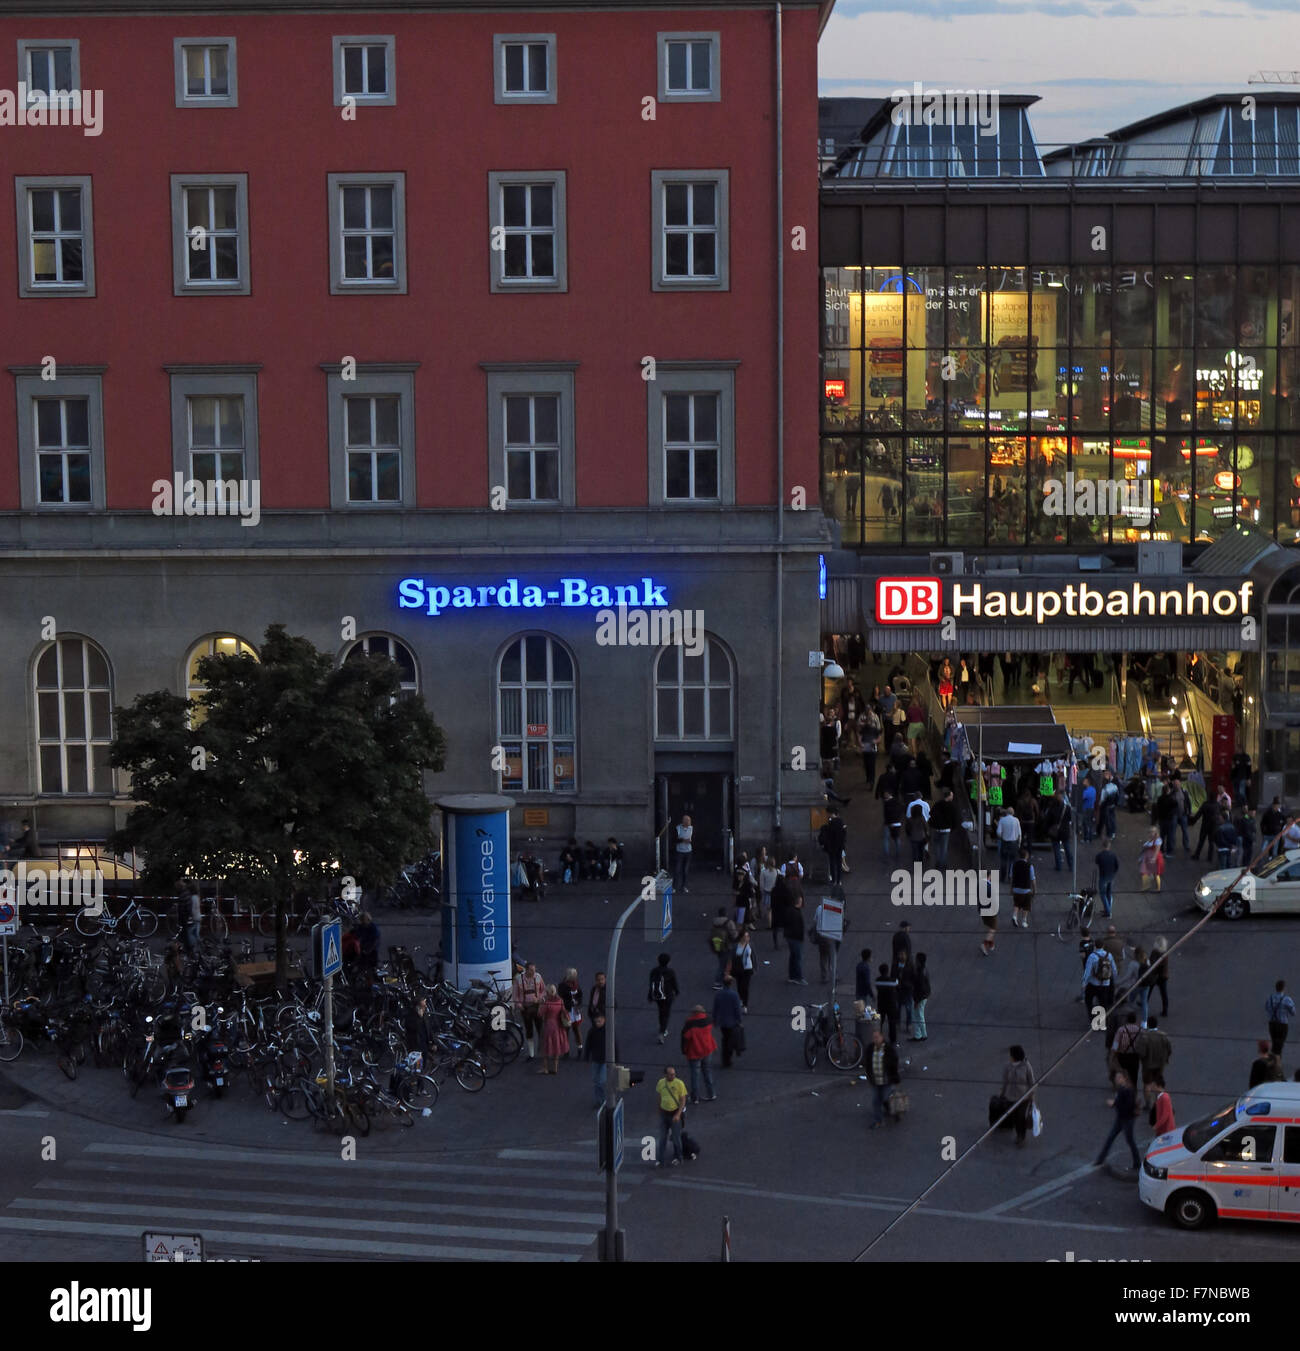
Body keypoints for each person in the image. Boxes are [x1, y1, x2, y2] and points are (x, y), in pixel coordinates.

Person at [1094, 1069, 1141, 1171]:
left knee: (1130, 1141)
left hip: (1127, 1119)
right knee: (1111, 1137)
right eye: (1116, 1078)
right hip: (1121, 1118)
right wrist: (1115, 1102)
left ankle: (1137, 1163)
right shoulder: (1121, 1089)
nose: (1116, 1079)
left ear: (1124, 1078)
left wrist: (1114, 1103)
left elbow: (1128, 1107)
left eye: (1119, 1077)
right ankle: (1100, 1159)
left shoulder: (1128, 1090)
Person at [863, 1026, 901, 1129]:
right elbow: (867, 1062)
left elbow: (894, 1063)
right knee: (876, 1101)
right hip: (875, 1080)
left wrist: (895, 1077)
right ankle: (878, 1121)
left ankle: (894, 1111)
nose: (875, 1039)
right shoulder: (870, 1049)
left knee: (885, 1097)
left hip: (886, 1080)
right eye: (874, 1037)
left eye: (877, 1037)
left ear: (882, 1037)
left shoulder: (888, 1049)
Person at [680, 1005, 718, 1104]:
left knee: (695, 1075)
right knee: (707, 1071)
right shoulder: (709, 1019)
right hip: (707, 1049)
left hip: (695, 1051)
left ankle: (695, 1098)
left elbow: (685, 1037)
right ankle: (711, 1093)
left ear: (694, 1013)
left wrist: (684, 1050)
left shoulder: (690, 1023)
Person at [1001, 1045, 1036, 1147]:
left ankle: (1021, 1136)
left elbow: (1031, 1081)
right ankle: (1018, 1134)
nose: (1009, 1056)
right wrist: (1002, 1093)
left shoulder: (1026, 1066)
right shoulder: (1008, 1066)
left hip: (1023, 1097)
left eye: (1011, 1055)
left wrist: (1031, 1095)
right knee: (1015, 1117)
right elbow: (1005, 1081)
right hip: (1011, 1096)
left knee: (1021, 1117)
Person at [512, 960, 547, 1059]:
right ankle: (531, 1054)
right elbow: (515, 995)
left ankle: (542, 1051)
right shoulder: (518, 979)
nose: (533, 972)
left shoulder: (538, 977)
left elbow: (543, 990)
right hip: (525, 1009)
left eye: (534, 970)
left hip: (537, 1007)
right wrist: (519, 1005)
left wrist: (540, 999)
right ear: (526, 970)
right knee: (529, 1030)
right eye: (531, 970)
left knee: (541, 1029)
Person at [653, 1066, 688, 1166]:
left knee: (676, 1138)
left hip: (674, 1114)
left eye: (674, 1074)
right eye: (671, 1074)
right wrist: (659, 1110)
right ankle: (660, 1159)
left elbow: (683, 1100)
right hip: (664, 1113)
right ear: (666, 1075)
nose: (673, 1075)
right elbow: (659, 1097)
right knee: (662, 1137)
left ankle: (679, 1157)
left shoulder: (679, 1084)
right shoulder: (661, 1083)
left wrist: (678, 1114)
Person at [1135, 1017, 1172, 1107]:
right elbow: (1169, 1050)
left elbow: (1141, 1053)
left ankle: (1148, 1103)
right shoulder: (1163, 1036)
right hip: (1160, 1064)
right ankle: (1159, 1102)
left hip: (1148, 1064)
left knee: (1147, 1084)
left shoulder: (1145, 1037)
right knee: (1158, 1083)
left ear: (1148, 1025)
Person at [712, 975, 744, 1068]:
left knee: (725, 1039)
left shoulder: (718, 994)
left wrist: (714, 1020)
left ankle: (724, 1059)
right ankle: (728, 1059)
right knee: (730, 1040)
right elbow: (737, 1009)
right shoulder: (734, 995)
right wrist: (739, 1020)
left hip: (722, 1021)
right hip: (732, 1021)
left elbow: (715, 1008)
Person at [537, 984, 569, 1075]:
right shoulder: (560, 1001)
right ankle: (555, 1067)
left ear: (547, 992)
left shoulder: (547, 1003)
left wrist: (541, 1004)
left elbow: (539, 1014)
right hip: (558, 1025)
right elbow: (564, 1012)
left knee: (546, 1047)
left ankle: (545, 1068)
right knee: (556, 1046)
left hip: (548, 1025)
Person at [648, 953, 679, 1043]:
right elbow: (674, 984)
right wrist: (676, 991)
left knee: (661, 1012)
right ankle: (662, 1031)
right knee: (666, 1014)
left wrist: (650, 995)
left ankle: (662, 1028)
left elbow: (651, 984)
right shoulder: (670, 972)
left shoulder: (654, 971)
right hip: (668, 996)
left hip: (658, 996)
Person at [1082, 941, 1116, 1020]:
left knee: (1088, 1000)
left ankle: (1092, 1017)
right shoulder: (1109, 955)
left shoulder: (1092, 956)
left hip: (1093, 983)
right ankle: (1103, 1020)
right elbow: (1114, 969)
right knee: (1103, 1003)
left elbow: (1087, 972)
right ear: (1103, 946)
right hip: (1105, 984)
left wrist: (1084, 982)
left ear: (1095, 946)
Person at [1110, 1008, 1142, 1088]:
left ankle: (1124, 1092)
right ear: (1135, 1020)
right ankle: (1133, 1093)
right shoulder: (1140, 1030)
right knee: (1134, 1077)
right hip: (1135, 1057)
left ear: (1127, 1020)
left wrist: (1113, 1056)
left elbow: (1115, 1045)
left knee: (1124, 1076)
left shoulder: (1121, 1030)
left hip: (1123, 1056)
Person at [584, 1013, 611, 1107]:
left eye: (599, 1021)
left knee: (601, 1081)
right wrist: (586, 1056)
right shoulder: (592, 1031)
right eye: (596, 1022)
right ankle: (599, 1100)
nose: (597, 1023)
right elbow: (588, 1044)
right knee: (596, 1081)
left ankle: (603, 1100)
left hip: (605, 1060)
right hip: (596, 1059)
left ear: (604, 1020)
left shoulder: (608, 1031)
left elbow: (614, 1045)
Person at [709, 907, 738, 989]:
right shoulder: (729, 922)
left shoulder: (714, 922)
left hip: (717, 945)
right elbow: (734, 935)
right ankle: (717, 982)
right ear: (726, 914)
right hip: (727, 946)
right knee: (723, 964)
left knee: (722, 961)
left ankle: (725, 977)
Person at [1266, 979, 1296, 1057]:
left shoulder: (1270, 998)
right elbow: (1293, 1012)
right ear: (1283, 988)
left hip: (1272, 1024)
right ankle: (1276, 1063)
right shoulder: (1287, 999)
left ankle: (1274, 1061)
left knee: (1275, 1043)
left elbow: (1267, 1008)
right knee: (1279, 1045)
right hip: (1282, 1025)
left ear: (1276, 987)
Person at [557, 968, 584, 1056]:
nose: (573, 980)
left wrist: (578, 1003)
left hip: (575, 1011)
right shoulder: (562, 986)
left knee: (576, 1030)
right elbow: (561, 998)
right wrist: (570, 1002)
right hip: (567, 1010)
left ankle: (580, 1048)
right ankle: (566, 1050)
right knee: (566, 1031)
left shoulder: (576, 984)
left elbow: (580, 995)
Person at [819, 807, 848, 885]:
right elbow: (844, 834)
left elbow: (829, 835)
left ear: (831, 813)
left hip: (832, 847)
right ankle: (839, 880)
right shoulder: (841, 822)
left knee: (832, 863)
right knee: (839, 863)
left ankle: (834, 880)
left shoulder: (831, 823)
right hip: (839, 846)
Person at [1010, 847, 1035, 929]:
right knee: (1026, 906)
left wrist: (1011, 888)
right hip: (1026, 889)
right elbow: (1032, 879)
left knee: (1017, 904)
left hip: (1016, 889)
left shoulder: (1014, 864)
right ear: (1026, 856)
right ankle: (1024, 921)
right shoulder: (1029, 866)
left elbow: (1011, 877)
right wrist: (1034, 889)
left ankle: (1014, 916)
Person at [1048, 790, 1074, 872]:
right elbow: (1070, 818)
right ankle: (1071, 866)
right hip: (1065, 831)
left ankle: (1058, 866)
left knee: (1056, 849)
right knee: (1067, 849)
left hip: (1055, 832)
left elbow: (1049, 820)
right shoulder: (1067, 808)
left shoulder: (1052, 808)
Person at [784, 896, 808, 985]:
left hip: (790, 937)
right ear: (798, 902)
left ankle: (792, 976)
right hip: (795, 938)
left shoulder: (790, 910)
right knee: (798, 958)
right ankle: (799, 977)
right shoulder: (796, 913)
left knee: (793, 957)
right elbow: (797, 927)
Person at [732, 929, 756, 1010]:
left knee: (745, 987)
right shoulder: (736, 946)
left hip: (748, 968)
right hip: (738, 968)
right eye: (745, 936)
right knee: (739, 986)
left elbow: (753, 956)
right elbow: (732, 958)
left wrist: (755, 967)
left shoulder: (750, 945)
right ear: (741, 937)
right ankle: (741, 999)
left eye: (748, 936)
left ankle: (745, 1004)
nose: (747, 938)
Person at [930, 788, 956, 865]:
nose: (952, 797)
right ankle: (943, 862)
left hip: (936, 828)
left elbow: (931, 814)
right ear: (949, 796)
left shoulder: (937, 804)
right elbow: (954, 818)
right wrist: (953, 827)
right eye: (952, 796)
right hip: (946, 829)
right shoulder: (952, 806)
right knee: (944, 847)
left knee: (936, 846)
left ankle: (938, 862)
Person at [875, 963, 899, 1044]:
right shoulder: (893, 981)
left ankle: (878, 1037)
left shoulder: (877, 980)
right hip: (891, 1005)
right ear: (887, 971)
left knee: (879, 1022)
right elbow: (898, 986)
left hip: (881, 1004)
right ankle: (893, 1040)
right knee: (892, 1022)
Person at [996, 808, 1022, 882]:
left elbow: (998, 832)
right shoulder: (1016, 820)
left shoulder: (1002, 820)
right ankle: (1010, 877)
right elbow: (1019, 833)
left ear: (1006, 813)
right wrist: (1019, 843)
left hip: (1005, 842)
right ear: (1013, 813)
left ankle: (1003, 877)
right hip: (1014, 843)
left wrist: (1002, 837)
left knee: (1004, 860)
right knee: (1012, 861)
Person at [1095, 841, 1119, 918]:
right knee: (1109, 893)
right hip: (1111, 877)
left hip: (1103, 877)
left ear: (1102, 846)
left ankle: (1108, 911)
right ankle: (1107, 909)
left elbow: (1097, 862)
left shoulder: (1100, 855)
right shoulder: (1113, 855)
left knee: (1103, 894)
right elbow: (1117, 866)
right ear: (1109, 846)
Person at [911, 952, 931, 1042]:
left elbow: (920, 988)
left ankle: (922, 1034)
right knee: (918, 1015)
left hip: (920, 997)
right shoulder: (924, 970)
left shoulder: (920, 973)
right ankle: (919, 1034)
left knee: (918, 1015)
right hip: (924, 995)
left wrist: (916, 1001)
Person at [1137, 826, 1165, 893]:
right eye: (1149, 832)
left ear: (1156, 832)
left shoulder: (1158, 840)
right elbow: (1145, 848)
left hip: (1154, 858)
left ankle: (1158, 888)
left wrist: (1154, 858)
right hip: (1148, 857)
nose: (1150, 833)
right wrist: (1141, 857)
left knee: (1156, 873)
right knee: (1145, 872)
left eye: (1152, 832)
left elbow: (1157, 850)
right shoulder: (1150, 839)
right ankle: (1146, 886)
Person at [1148, 935, 1170, 1016]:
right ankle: (1165, 1009)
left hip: (1155, 975)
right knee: (1164, 993)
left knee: (1149, 988)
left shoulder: (1155, 952)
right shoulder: (1165, 952)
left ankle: (1144, 1002)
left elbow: (1152, 962)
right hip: (1163, 975)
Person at [1148, 1071, 1175, 1136]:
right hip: (1163, 1130)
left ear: (1159, 1086)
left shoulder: (1164, 1098)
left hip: (1166, 1130)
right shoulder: (1160, 1097)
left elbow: (1164, 1116)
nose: (1151, 1087)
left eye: (1153, 1085)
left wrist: (1156, 1126)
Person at [673, 814, 693, 893]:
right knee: (677, 870)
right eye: (687, 820)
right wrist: (682, 840)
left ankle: (683, 886)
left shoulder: (692, 828)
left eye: (689, 820)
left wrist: (691, 841)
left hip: (688, 852)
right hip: (679, 852)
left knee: (685, 870)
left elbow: (695, 838)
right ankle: (674, 887)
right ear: (683, 821)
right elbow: (673, 839)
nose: (688, 822)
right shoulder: (678, 828)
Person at [183, 889, 202, 954]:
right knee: (196, 934)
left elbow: (192, 909)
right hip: (198, 917)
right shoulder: (197, 897)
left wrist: (190, 916)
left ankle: (194, 948)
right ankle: (200, 948)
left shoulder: (191, 898)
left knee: (190, 933)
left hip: (194, 918)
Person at [1080, 777, 1097, 843]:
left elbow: (1082, 798)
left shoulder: (1086, 791)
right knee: (1089, 824)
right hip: (1091, 808)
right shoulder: (1093, 789)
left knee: (1085, 824)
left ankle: (1086, 838)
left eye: (1084, 781)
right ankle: (1089, 838)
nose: (1083, 782)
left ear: (1088, 782)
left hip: (1086, 809)